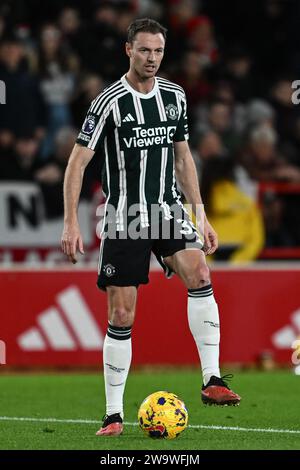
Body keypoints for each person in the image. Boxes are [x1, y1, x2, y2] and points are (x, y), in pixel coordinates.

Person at [61, 18, 241, 437]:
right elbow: (77, 162)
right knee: (122, 314)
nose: (152, 58)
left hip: (168, 209)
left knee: (200, 272)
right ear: (128, 50)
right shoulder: (108, 102)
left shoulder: (175, 96)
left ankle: (212, 379)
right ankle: (113, 415)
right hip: (125, 217)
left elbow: (183, 159)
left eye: (158, 51)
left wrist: (200, 214)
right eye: (144, 50)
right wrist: (71, 221)